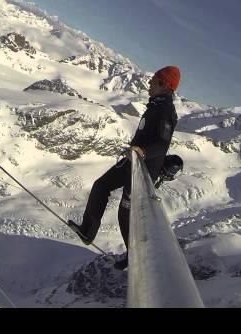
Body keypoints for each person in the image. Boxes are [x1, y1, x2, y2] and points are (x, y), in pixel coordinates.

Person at [68, 66, 181, 270]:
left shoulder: (165, 111)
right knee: (101, 186)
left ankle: (134, 256)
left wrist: (142, 151)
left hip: (143, 170)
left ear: (164, 85)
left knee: (125, 213)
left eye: (153, 80)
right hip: (133, 162)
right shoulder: (157, 106)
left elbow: (161, 145)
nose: (149, 84)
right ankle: (87, 231)